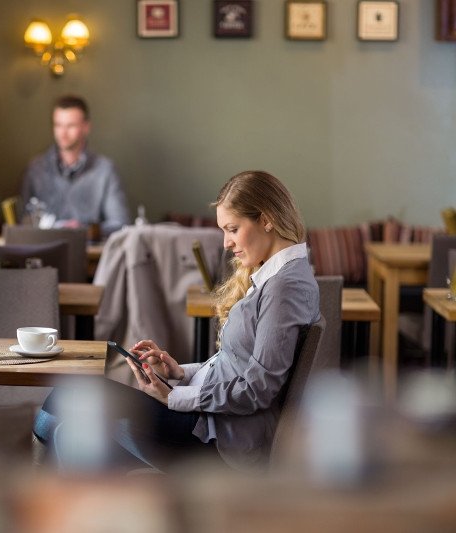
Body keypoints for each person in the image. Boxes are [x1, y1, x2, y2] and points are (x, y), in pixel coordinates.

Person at [33, 170, 321, 471]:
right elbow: (234, 362)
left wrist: (175, 397)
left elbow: (258, 389)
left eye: (232, 229)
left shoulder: (285, 287)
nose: (226, 243)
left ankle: (51, 497)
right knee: (69, 419)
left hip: (218, 439)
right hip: (211, 422)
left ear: (265, 219)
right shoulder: (278, 278)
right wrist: (179, 372)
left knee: (72, 403)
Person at [20, 95, 130, 238]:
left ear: (86, 127)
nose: (63, 133)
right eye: (58, 125)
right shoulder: (36, 169)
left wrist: (84, 230)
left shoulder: (105, 170)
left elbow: (120, 223)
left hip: (89, 255)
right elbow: (21, 222)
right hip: (44, 253)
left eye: (70, 126)